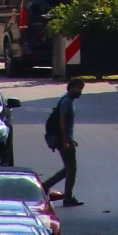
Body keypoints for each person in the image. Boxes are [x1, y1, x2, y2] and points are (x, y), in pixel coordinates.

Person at [43, 75, 85, 209]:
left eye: (81, 89)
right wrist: (65, 140)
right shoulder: (66, 101)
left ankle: (45, 186)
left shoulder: (66, 99)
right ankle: (67, 197)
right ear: (71, 88)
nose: (79, 91)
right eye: (78, 88)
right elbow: (62, 122)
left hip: (66, 138)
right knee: (71, 169)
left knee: (68, 168)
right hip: (63, 140)